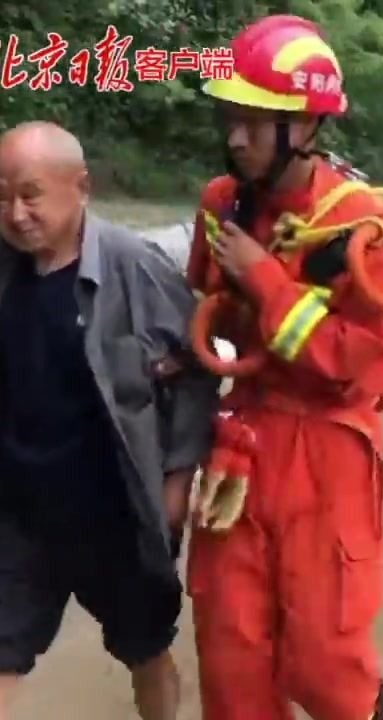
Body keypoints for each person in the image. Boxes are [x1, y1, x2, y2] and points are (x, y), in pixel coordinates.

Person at [183, 15, 383, 720]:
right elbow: (206, 313)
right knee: (231, 657)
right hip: (240, 447)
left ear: (306, 126)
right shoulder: (222, 206)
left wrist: (270, 286)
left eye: (256, 122)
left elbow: (368, 367)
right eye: (233, 118)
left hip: (328, 454)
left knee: (324, 662)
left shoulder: (360, 226)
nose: (236, 137)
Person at [0, 122, 217, 719]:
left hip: (115, 515)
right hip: (22, 516)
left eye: (31, 194)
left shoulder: (136, 268)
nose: (16, 214)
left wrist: (177, 480)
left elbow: (200, 368)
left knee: (144, 651)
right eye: (2, 197)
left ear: (82, 187)